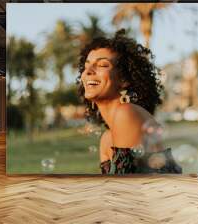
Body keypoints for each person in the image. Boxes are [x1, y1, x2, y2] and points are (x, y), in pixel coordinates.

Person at [76, 29, 182, 174]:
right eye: (87, 65)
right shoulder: (107, 138)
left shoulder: (126, 113)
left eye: (102, 65)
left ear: (124, 79)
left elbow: (126, 191)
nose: (88, 71)